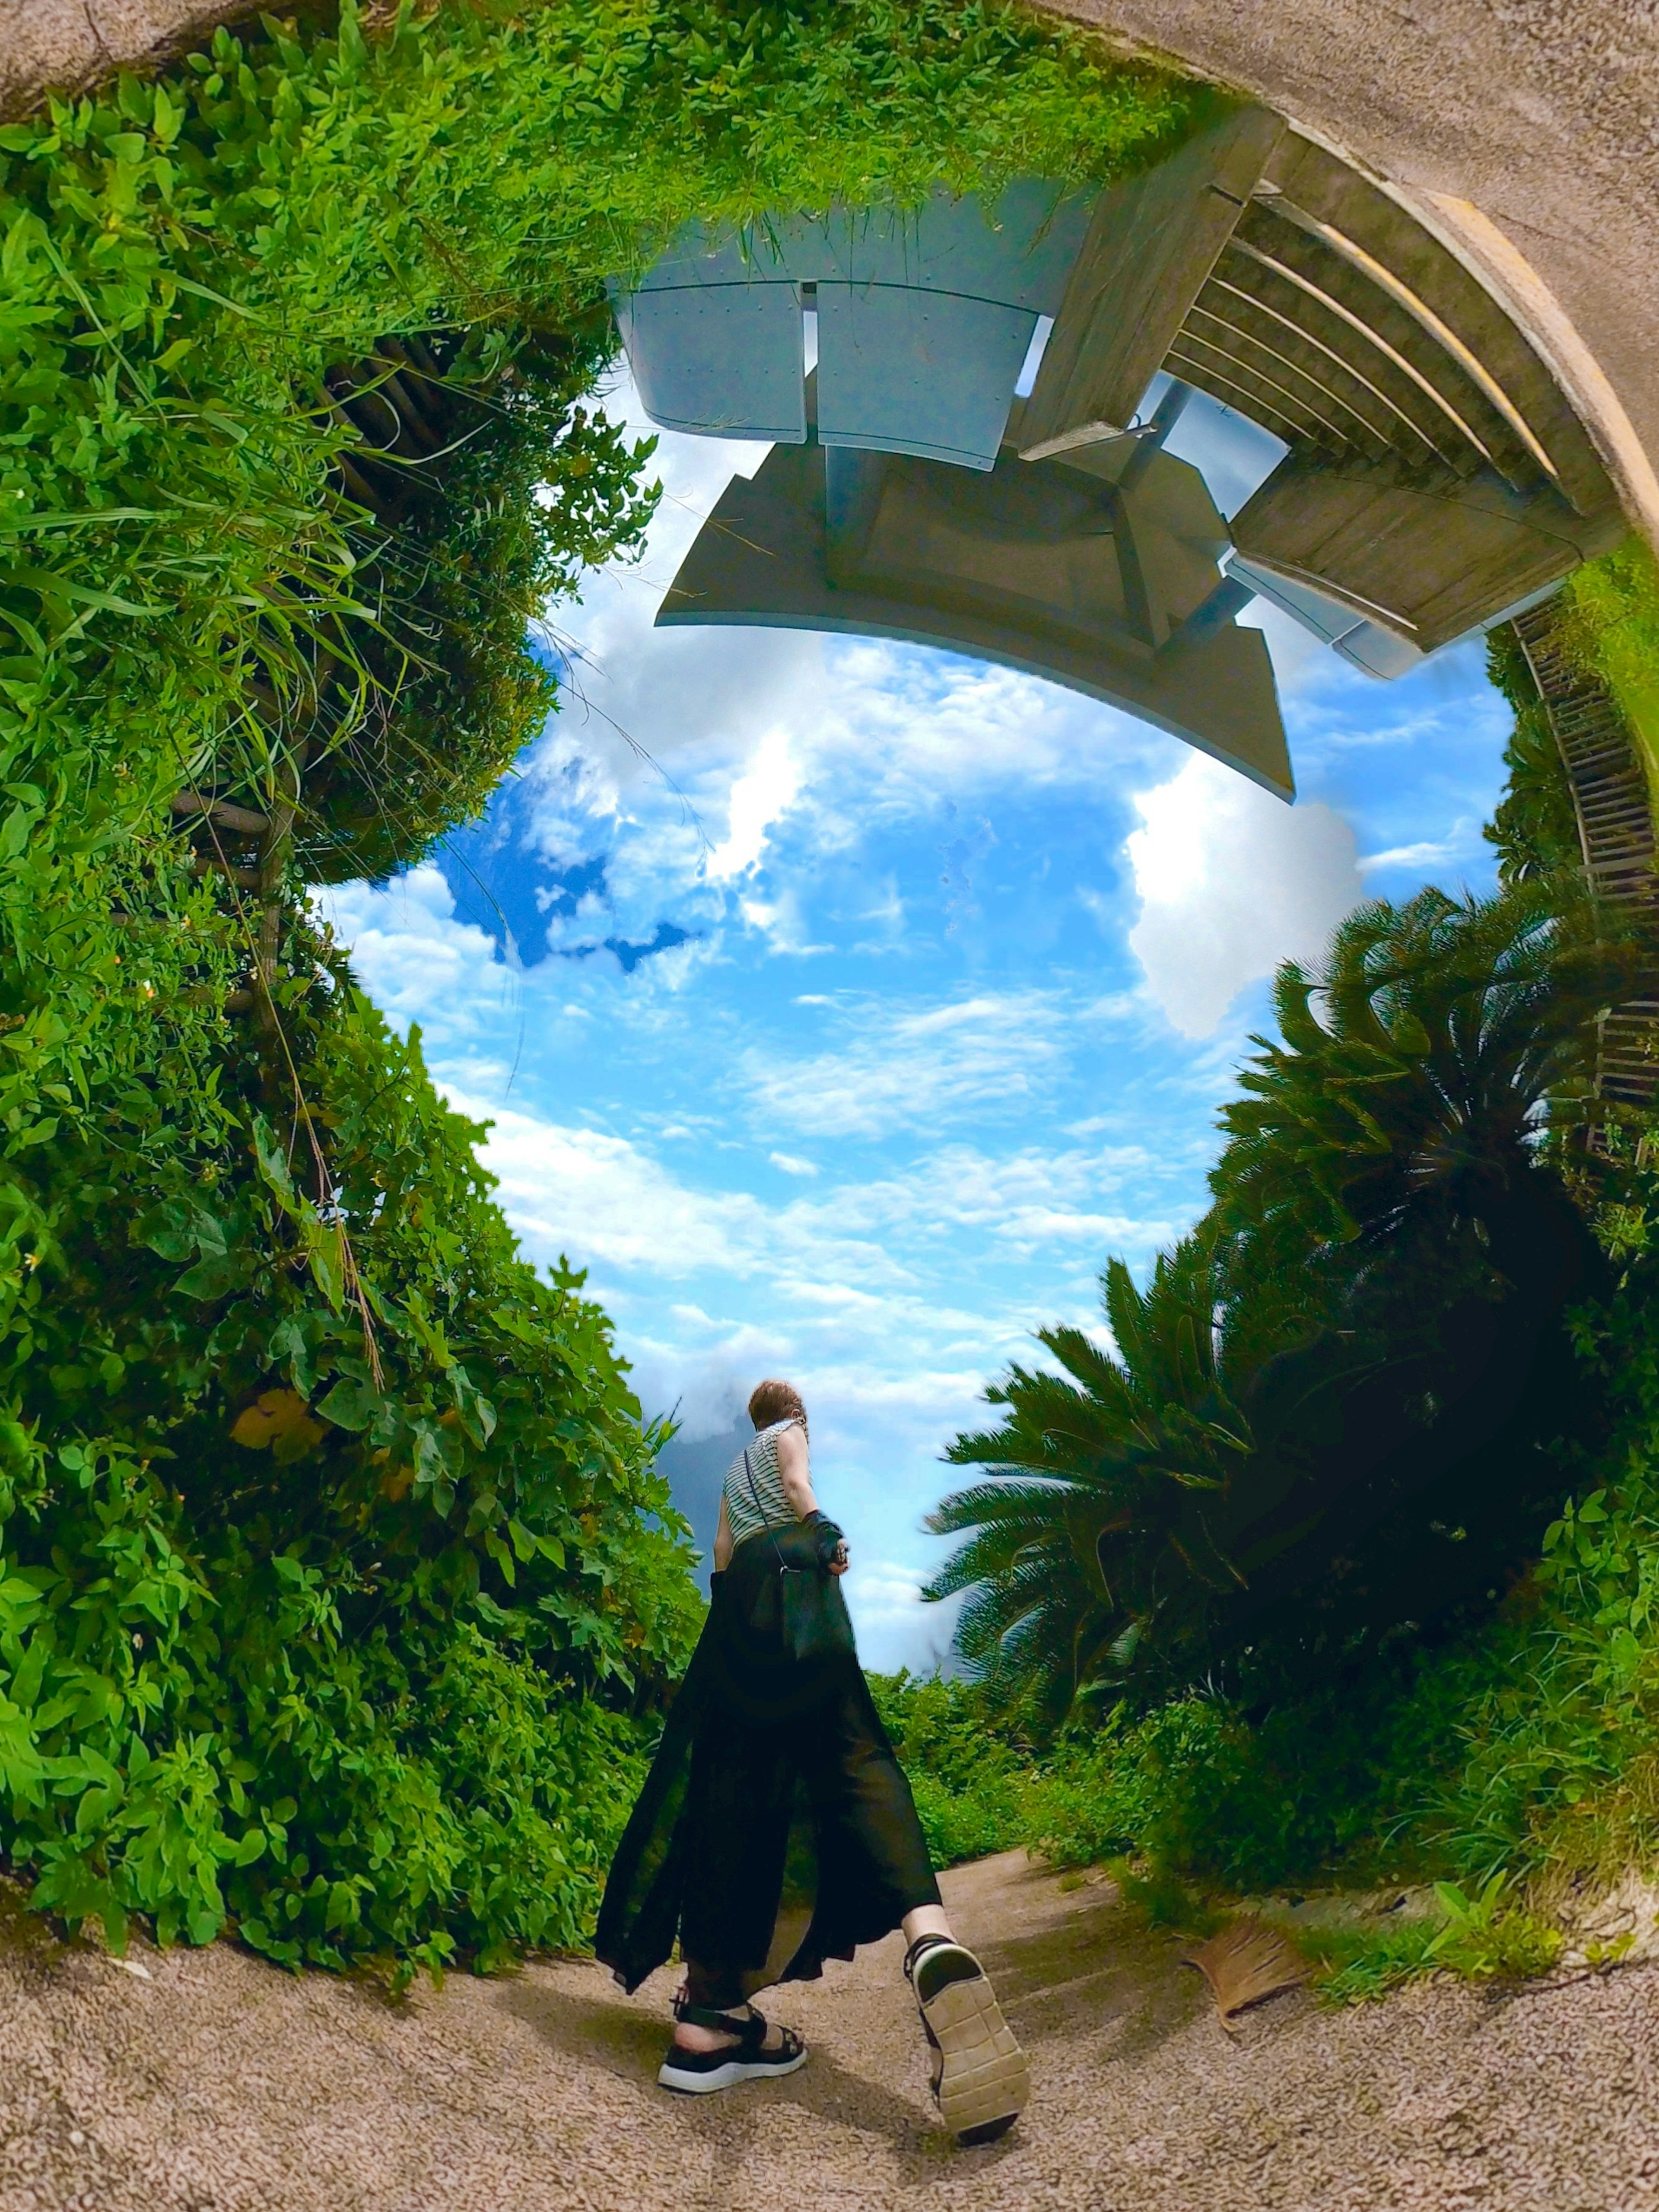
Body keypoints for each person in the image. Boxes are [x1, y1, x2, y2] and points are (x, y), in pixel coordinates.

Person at [595, 1378, 1030, 2145]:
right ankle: (930, 1940)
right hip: (796, 1579)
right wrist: (823, 1531)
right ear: (793, 1417)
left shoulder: (734, 1469)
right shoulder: (784, 1437)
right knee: (854, 1754)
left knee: (729, 1785)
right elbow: (799, 1485)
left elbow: (723, 1557)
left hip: (736, 1612)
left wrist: (738, 1620)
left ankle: (709, 2017)